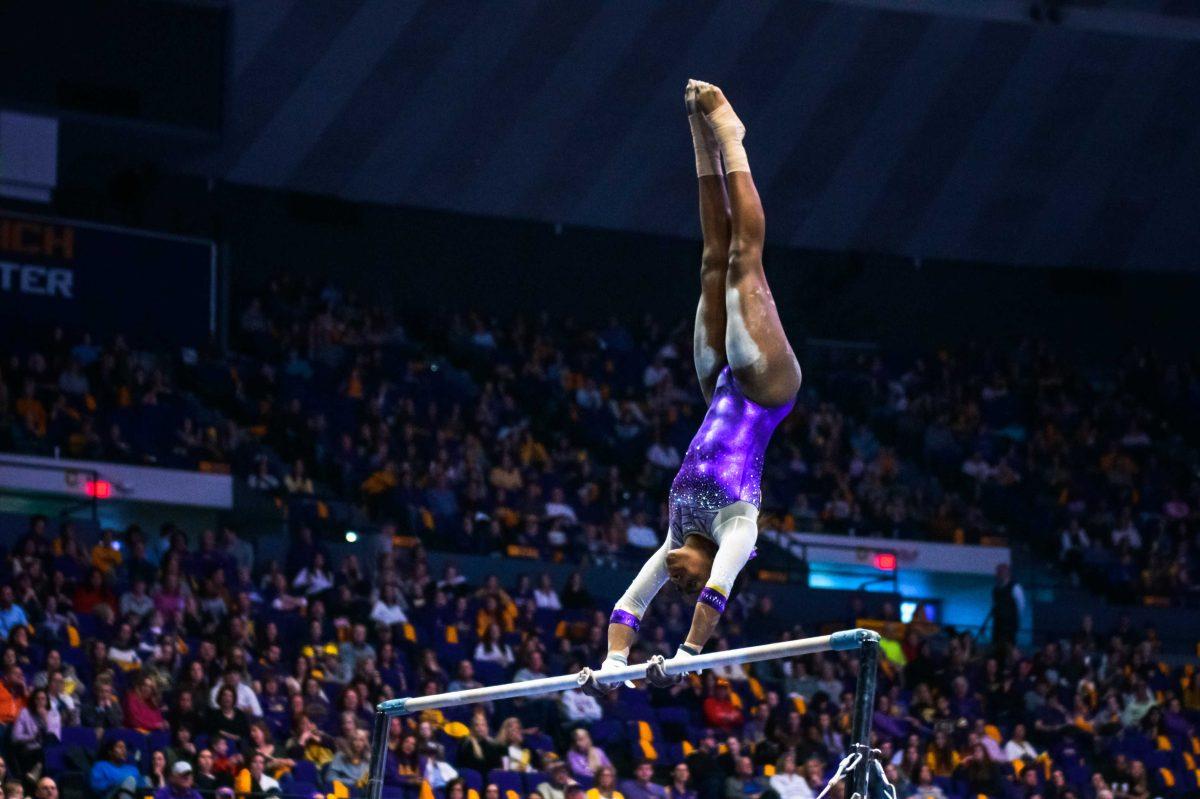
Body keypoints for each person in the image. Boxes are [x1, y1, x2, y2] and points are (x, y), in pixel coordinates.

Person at [588, 80, 801, 690]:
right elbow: (718, 590)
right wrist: (687, 653)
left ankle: (698, 139)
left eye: (674, 584)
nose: (676, 583)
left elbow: (631, 602)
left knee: (712, 258)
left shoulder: (676, 535)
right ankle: (731, 140)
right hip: (764, 392)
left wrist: (614, 664)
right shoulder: (738, 529)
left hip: (720, 389)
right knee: (743, 261)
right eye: (687, 582)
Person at [991, 563, 1024, 655]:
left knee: (1009, 651)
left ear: (1007, 573)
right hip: (998, 627)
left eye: (1000, 572)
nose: (998, 574)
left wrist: (1015, 621)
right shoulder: (996, 590)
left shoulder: (1015, 587)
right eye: (998, 572)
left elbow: (1020, 606)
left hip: (1009, 628)